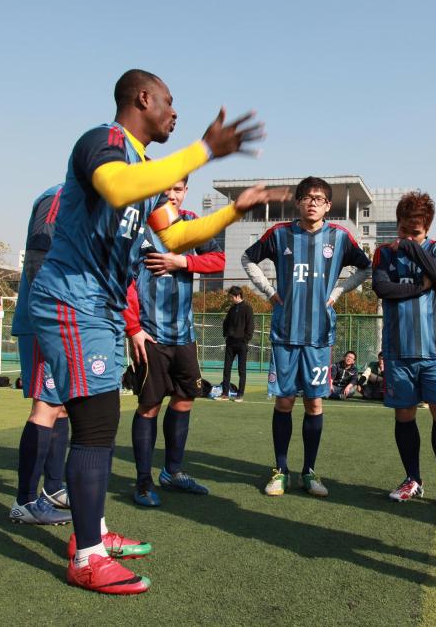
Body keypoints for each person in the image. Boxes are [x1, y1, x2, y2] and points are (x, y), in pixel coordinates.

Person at [27, 68, 277, 594]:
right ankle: (87, 557)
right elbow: (116, 188)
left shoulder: (145, 171)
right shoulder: (103, 143)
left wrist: (234, 211)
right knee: (95, 423)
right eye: (168, 101)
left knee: (98, 423)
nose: (175, 112)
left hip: (98, 308)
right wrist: (203, 150)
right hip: (71, 300)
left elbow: (177, 235)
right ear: (143, 98)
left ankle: (92, 533)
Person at [243, 176, 371, 498]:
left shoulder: (339, 237)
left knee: (314, 403)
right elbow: (247, 259)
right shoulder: (280, 234)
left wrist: (338, 291)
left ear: (328, 206)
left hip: (319, 335)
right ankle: (280, 470)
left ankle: (309, 471)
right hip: (285, 333)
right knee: (285, 401)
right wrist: (269, 291)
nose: (313, 203)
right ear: (298, 202)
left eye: (319, 199)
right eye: (307, 197)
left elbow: (366, 268)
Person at [124, 177, 225, 507]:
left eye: (177, 189)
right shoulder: (137, 226)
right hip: (149, 335)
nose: (171, 195)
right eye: (164, 189)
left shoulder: (191, 223)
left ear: (185, 192)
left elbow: (219, 259)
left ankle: (172, 472)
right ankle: (143, 482)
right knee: (149, 406)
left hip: (184, 335)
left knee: (185, 399)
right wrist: (133, 328)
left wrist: (182, 261)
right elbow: (122, 279)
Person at [374, 192, 436, 509]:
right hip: (398, 349)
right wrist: (420, 287)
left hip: (435, 349)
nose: (407, 237)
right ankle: (413, 479)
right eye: (403, 230)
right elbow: (382, 288)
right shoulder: (383, 253)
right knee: (405, 414)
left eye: (414, 232)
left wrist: (411, 247)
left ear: (427, 229)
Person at [9, 184, 72, 527]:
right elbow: (37, 255)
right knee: (45, 406)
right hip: (46, 322)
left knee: (61, 406)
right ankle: (25, 501)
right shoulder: (59, 195)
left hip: (65, 323)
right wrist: (50, 317)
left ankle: (53, 488)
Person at [220, 285, 254, 401]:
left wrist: (245, 339)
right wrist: (226, 334)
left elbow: (250, 326)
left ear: (238, 296)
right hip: (230, 343)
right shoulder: (232, 309)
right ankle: (225, 393)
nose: (230, 299)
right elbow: (226, 323)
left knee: (241, 370)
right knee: (226, 369)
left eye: (231, 297)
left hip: (242, 344)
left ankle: (240, 395)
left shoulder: (248, 308)